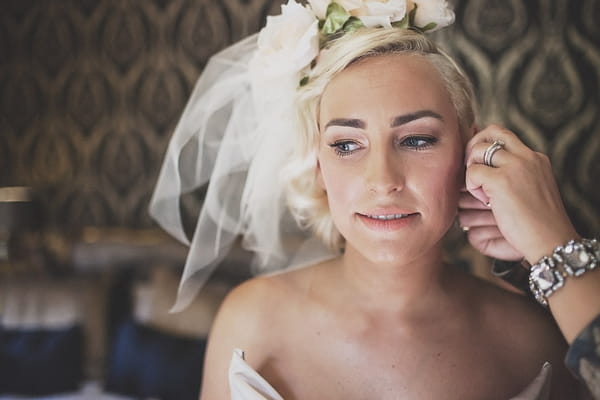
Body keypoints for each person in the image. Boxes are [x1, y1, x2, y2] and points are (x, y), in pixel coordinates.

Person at [149, 1, 599, 399]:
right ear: (318, 165)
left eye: (417, 140)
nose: (383, 181)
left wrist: (550, 242)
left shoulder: (537, 338)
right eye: (346, 144)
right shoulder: (248, 319)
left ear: (467, 152)